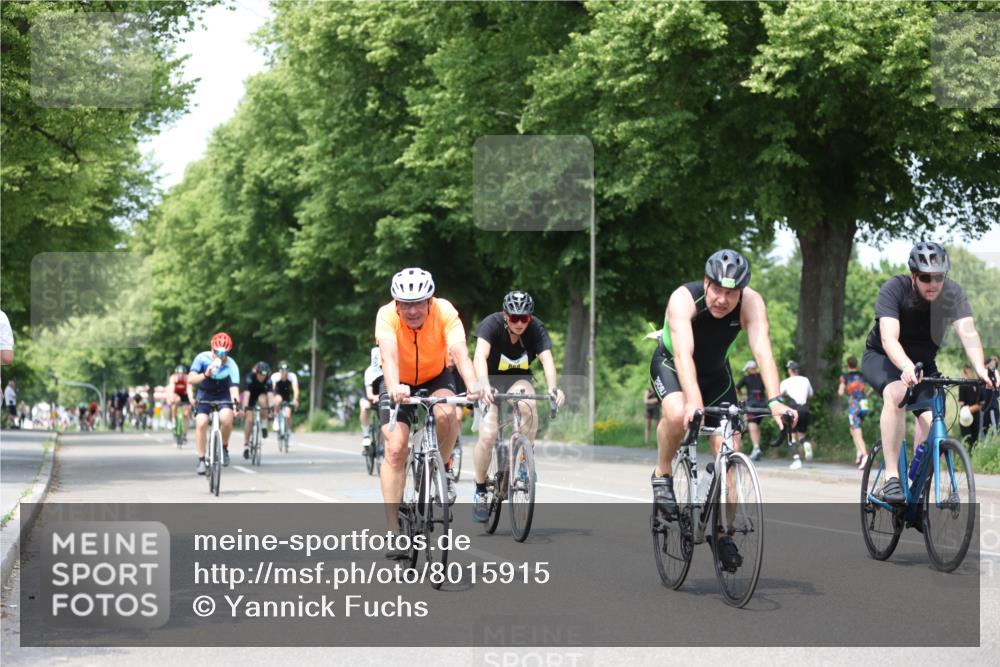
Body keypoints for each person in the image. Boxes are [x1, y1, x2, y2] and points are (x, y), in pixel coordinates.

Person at [649, 249, 795, 570]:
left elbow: (763, 352)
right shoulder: (683, 299)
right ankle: (662, 474)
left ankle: (723, 533)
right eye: (716, 289)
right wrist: (694, 403)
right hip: (672, 366)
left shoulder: (752, 303)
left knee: (729, 455)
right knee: (676, 413)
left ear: (741, 291)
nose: (722, 299)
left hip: (716, 376)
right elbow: (684, 355)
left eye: (731, 293)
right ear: (706, 282)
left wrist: (775, 400)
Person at [862, 242, 995, 504]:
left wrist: (982, 368)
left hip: (923, 366)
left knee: (934, 425)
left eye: (939, 276)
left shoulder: (953, 293)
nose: (933, 283)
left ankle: (917, 494)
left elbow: (968, 332)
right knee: (897, 394)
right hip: (884, 358)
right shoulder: (894, 289)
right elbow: (889, 339)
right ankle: (891, 479)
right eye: (925, 277)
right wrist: (905, 367)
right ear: (913, 276)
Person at [374, 268, 480, 556]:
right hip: (399, 380)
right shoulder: (386, 316)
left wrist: (472, 384)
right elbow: (389, 355)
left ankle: (440, 469)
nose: (412, 310)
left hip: (436, 376)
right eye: (405, 304)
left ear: (430, 301)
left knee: (449, 415)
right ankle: (393, 529)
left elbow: (459, 351)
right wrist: (395, 386)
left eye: (419, 303)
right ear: (396, 304)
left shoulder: (445, 311)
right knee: (395, 448)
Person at [470, 290, 566, 523]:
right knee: (488, 435)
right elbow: (479, 356)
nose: (520, 322)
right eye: (514, 318)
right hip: (489, 380)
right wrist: (482, 385)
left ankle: (523, 462)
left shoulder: (536, 328)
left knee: (528, 406)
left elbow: (546, 360)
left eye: (525, 318)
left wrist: (554, 388)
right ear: (505, 316)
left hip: (518, 380)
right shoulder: (490, 325)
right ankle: (481, 490)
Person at [188, 332, 242, 474]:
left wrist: (236, 406)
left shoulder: (232, 365)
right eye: (217, 352)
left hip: (223, 393)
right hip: (205, 392)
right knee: (201, 422)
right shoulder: (202, 358)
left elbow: (234, 389)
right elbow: (191, 379)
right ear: (212, 349)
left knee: (227, 418)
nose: (220, 355)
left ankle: (224, 447)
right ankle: (201, 460)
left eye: (224, 353)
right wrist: (206, 374)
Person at [780, 361, 814, 469]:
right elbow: (810, 394)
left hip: (793, 409)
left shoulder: (786, 382)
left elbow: (779, 396)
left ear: (790, 370)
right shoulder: (805, 380)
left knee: (792, 436)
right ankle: (805, 444)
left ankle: (796, 460)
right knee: (801, 435)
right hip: (804, 409)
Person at [838, 356, 870, 469]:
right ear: (856, 364)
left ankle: (865, 455)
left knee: (857, 432)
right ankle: (859, 452)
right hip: (864, 404)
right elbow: (871, 386)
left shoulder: (845, 376)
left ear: (848, 364)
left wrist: (845, 392)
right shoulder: (862, 375)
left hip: (854, 404)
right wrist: (866, 394)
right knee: (853, 429)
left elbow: (841, 392)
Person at [736, 360, 767, 461]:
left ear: (749, 369)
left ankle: (756, 448)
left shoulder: (746, 378)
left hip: (752, 404)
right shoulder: (763, 377)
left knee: (751, 424)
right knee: (756, 425)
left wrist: (742, 396)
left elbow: (736, 388)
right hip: (763, 405)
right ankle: (757, 448)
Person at [242, 361, 273, 458]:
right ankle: (246, 445)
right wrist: (245, 408)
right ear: (256, 372)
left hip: (261, 395)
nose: (262, 377)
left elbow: (270, 395)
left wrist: (271, 407)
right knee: (249, 420)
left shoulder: (268, 380)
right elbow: (246, 394)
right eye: (260, 374)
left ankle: (264, 424)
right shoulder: (250, 378)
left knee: (263, 401)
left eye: (264, 374)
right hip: (251, 396)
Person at [360, 347, 384, 457]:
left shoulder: (389, 368)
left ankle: (382, 441)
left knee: (385, 420)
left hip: (383, 396)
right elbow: (369, 394)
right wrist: (375, 397)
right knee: (365, 407)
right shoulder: (370, 371)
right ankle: (366, 435)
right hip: (370, 395)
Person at [269, 361, 300, 441]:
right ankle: (276, 417)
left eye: (286, 372)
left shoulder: (292, 376)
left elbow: (295, 390)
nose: (285, 374)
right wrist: (272, 401)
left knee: (288, 415)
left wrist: (295, 399)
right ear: (280, 371)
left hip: (287, 395)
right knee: (278, 399)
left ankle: (289, 433)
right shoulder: (275, 376)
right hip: (277, 393)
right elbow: (272, 390)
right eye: (283, 372)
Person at [167, 366, 192, 442]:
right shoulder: (173, 378)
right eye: (179, 373)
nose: (180, 375)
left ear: (185, 373)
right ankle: (174, 420)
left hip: (184, 395)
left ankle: (184, 434)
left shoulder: (187, 378)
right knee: (175, 402)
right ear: (176, 373)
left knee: (187, 414)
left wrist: (191, 399)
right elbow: (171, 388)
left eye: (182, 373)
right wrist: (171, 398)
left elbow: (189, 389)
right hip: (176, 394)